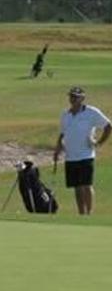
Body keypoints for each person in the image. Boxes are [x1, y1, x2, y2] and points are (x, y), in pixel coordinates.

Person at [53, 86, 111, 215]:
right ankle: (81, 214)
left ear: (82, 98)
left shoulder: (91, 112)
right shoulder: (65, 114)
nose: (73, 99)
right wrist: (57, 149)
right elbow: (62, 134)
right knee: (77, 187)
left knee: (86, 185)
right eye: (71, 96)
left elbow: (108, 126)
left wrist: (99, 143)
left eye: (76, 97)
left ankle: (89, 214)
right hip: (70, 156)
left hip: (86, 155)